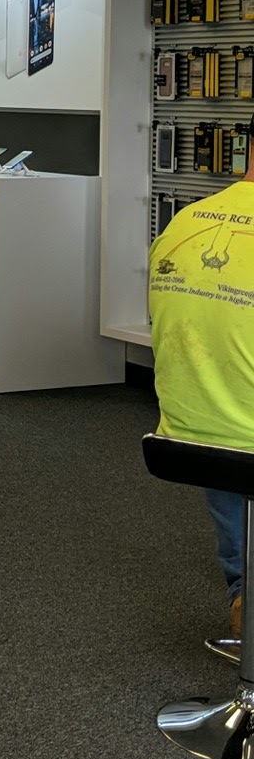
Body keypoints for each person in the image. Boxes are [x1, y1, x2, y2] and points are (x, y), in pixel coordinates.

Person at [148, 140, 254, 644]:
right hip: (244, 435)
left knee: (229, 422)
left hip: (188, 437)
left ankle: (244, 595)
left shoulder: (183, 221)